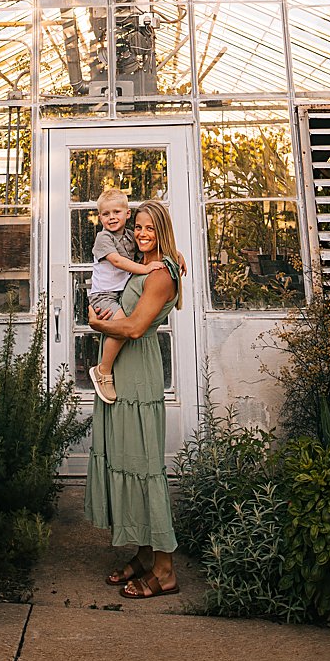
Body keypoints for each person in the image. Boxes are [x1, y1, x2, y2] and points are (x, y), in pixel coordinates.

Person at [84, 200, 187, 599]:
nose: (142, 234)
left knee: (144, 469)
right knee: (126, 461)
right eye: (139, 227)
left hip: (137, 375)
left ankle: (164, 571)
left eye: (150, 229)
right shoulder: (151, 260)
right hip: (121, 374)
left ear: (162, 231)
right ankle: (144, 556)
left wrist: (96, 324)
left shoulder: (160, 273)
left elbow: (135, 326)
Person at [88, 187, 164, 404]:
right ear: (100, 217)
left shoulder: (131, 236)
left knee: (125, 324)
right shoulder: (103, 238)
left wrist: (175, 253)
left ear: (127, 213)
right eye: (105, 214)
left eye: (116, 212)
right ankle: (103, 371)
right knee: (122, 325)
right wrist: (147, 270)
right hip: (103, 295)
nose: (111, 218)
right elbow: (119, 262)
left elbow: (153, 249)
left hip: (119, 293)